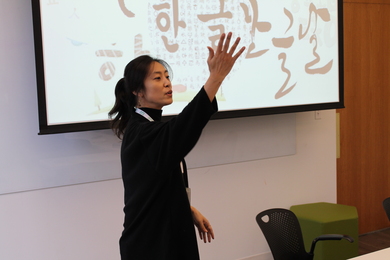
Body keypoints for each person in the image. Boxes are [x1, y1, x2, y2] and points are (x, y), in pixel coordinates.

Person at [109, 32, 245, 260]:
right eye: (157, 78)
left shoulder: (149, 126)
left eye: (166, 76)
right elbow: (183, 129)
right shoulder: (143, 132)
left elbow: (154, 186)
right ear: (137, 91)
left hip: (165, 236)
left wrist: (187, 209)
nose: (167, 83)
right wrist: (216, 78)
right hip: (151, 246)